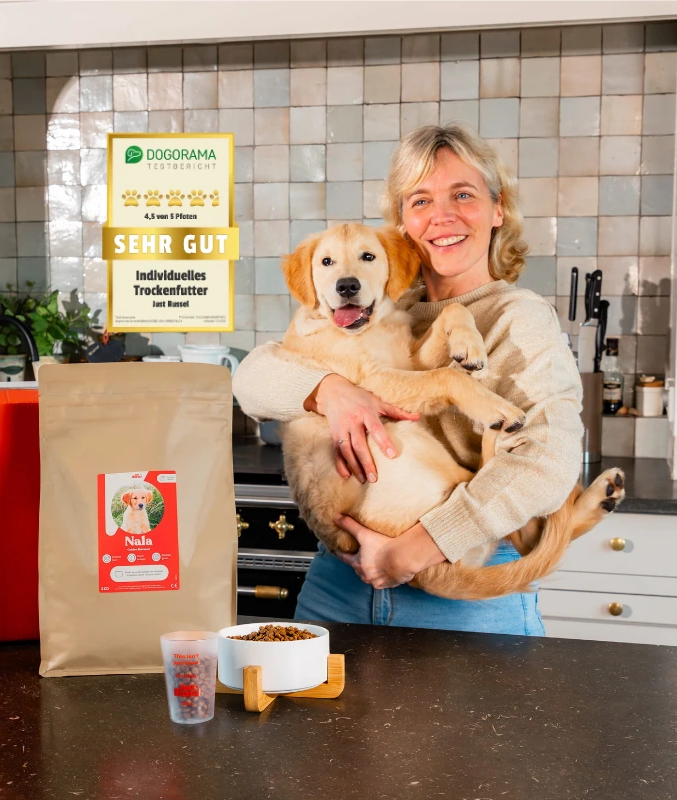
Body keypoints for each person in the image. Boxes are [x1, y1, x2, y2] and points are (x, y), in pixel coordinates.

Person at [232, 123, 583, 636]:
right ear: (403, 223)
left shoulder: (518, 316)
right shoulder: (381, 309)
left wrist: (415, 549)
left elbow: (548, 463)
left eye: (462, 195)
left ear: (497, 209)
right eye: (420, 201)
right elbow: (253, 377)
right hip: (340, 586)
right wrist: (328, 391)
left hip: (461, 595)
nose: (441, 216)